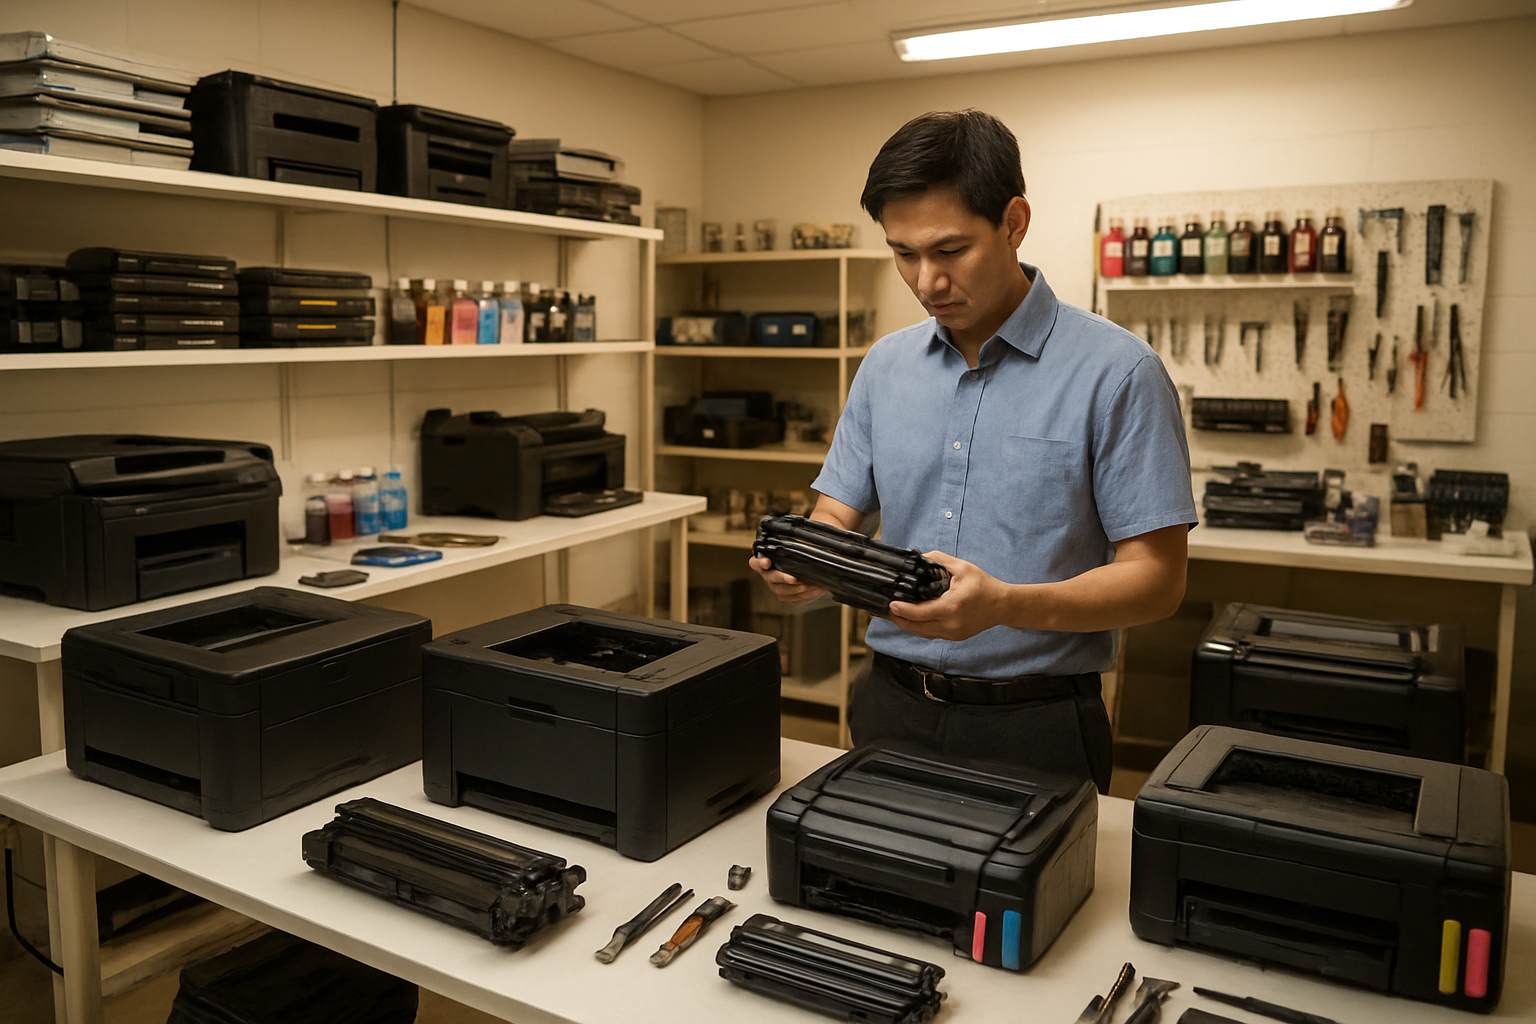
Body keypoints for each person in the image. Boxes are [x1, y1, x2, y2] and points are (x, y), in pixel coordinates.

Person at [749, 110, 1198, 793]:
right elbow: (836, 512)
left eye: (950, 250)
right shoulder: (884, 367)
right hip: (888, 704)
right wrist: (809, 560)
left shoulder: (1119, 372)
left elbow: (1158, 581)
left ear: (1014, 222)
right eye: (904, 253)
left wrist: (1004, 605)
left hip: (1036, 723)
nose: (926, 281)